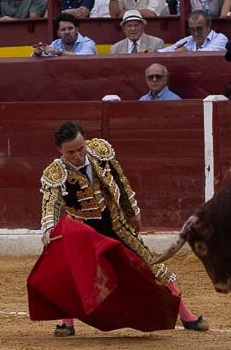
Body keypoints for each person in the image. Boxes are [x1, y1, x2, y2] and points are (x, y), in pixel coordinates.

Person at [40, 121, 209, 336]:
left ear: (85, 140)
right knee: (75, 275)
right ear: (60, 151)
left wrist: (132, 210)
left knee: (150, 264)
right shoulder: (55, 173)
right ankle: (67, 323)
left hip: (116, 223)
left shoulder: (99, 151)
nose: (78, 155)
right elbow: (50, 203)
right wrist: (48, 229)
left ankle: (187, 316)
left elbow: (120, 181)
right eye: (71, 152)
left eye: (80, 148)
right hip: (84, 232)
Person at [161, 11, 229, 52]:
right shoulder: (188, 39)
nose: (195, 33)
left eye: (199, 29)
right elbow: (165, 51)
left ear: (208, 26)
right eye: (192, 30)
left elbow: (210, 52)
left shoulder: (220, 38)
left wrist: (187, 53)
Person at [33, 13, 98, 56]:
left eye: (70, 28)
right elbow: (32, 61)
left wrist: (58, 52)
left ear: (77, 29)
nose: (67, 32)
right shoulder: (55, 44)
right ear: (58, 33)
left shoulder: (87, 43)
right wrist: (37, 53)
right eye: (63, 29)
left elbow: (83, 58)